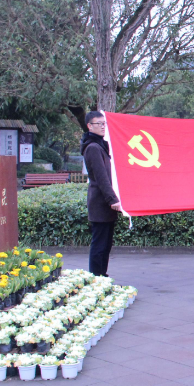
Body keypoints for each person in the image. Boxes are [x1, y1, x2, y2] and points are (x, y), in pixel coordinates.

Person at [81, 111, 123, 277]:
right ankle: (96, 277)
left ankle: (102, 276)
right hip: (100, 203)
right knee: (99, 244)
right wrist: (112, 199)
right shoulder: (93, 147)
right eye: (99, 124)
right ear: (90, 126)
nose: (103, 127)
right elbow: (101, 178)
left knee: (106, 244)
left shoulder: (100, 146)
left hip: (105, 204)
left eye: (104, 123)